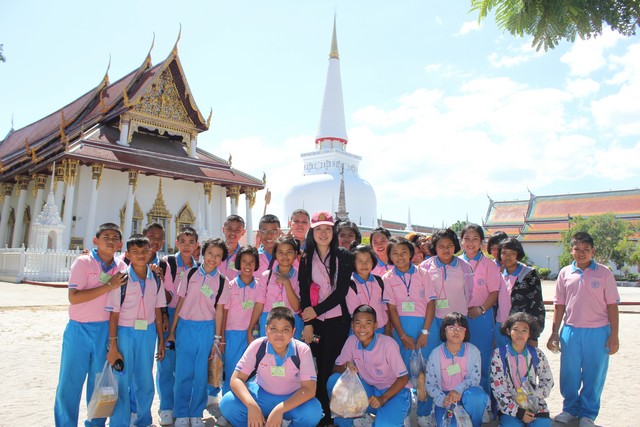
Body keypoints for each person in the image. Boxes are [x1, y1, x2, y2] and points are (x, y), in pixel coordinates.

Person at [54, 223, 128, 427]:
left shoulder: (121, 267)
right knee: (69, 382)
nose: (110, 241)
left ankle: (95, 424)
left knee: (100, 384)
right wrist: (109, 285)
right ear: (95, 240)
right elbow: (74, 297)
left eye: (115, 238)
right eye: (106, 237)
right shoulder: (83, 262)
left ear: (120, 244)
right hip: (79, 329)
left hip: (104, 330)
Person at [547, 232, 620, 427]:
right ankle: (570, 409)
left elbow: (612, 306)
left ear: (592, 251)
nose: (581, 253)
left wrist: (614, 335)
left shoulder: (604, 273)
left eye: (586, 249)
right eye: (577, 249)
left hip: (598, 332)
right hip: (571, 331)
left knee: (594, 374)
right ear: (571, 250)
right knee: (569, 373)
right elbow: (559, 305)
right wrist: (554, 333)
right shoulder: (565, 273)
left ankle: (588, 414)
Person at [219, 307, 323, 427]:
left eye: (285, 329)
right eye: (273, 328)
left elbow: (309, 389)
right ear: (266, 330)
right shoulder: (258, 345)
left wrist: (280, 409)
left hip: (292, 399)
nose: (279, 334)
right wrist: (251, 405)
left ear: (293, 332)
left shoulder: (302, 350)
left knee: (313, 412)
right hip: (261, 396)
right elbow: (236, 379)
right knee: (228, 404)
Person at [166, 238, 230, 427]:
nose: (213, 258)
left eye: (218, 255)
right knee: (183, 372)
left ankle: (196, 414)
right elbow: (180, 302)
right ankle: (181, 413)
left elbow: (219, 311)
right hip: (186, 327)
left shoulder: (222, 281)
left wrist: (217, 338)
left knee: (201, 375)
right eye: (210, 253)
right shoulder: (190, 273)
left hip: (206, 330)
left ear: (222, 259)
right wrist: (172, 330)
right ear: (203, 253)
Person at [299, 211, 354, 425]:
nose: (323, 233)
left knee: (329, 367)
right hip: (316, 324)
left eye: (328, 229)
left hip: (337, 321)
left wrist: (317, 310)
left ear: (334, 231)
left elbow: (341, 292)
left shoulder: (343, 256)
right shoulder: (306, 258)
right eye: (319, 229)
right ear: (312, 232)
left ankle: (332, 413)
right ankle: (321, 414)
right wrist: (308, 323)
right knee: (316, 368)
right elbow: (305, 291)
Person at [106, 234, 166, 427]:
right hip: (125, 332)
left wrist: (161, 341)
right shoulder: (121, 279)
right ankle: (119, 423)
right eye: (136, 252)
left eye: (144, 251)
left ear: (151, 252)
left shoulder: (156, 279)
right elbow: (114, 315)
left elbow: (158, 311)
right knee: (122, 379)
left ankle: (143, 421)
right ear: (128, 254)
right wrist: (113, 345)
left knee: (145, 380)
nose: (141, 255)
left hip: (147, 333)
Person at [328, 305, 411, 426]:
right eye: (358, 323)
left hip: (393, 393)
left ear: (376, 325)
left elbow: (403, 378)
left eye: (368, 323)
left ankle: (399, 416)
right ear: (352, 326)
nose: (362, 328)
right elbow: (334, 369)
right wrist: (346, 366)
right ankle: (346, 422)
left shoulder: (388, 344)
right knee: (334, 380)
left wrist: (382, 399)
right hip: (370, 391)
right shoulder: (352, 341)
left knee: (384, 424)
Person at [384, 237, 436, 425]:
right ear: (390, 256)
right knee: (402, 373)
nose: (400, 257)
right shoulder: (387, 278)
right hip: (402, 329)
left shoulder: (423, 273)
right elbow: (391, 309)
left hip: (424, 327)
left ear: (411, 254)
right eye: (395, 253)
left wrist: (425, 332)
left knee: (425, 371)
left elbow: (431, 303)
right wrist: (402, 335)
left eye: (404, 252)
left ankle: (424, 413)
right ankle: (403, 413)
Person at [156, 226, 199, 425]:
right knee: (166, 363)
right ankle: (166, 407)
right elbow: (162, 295)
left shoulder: (199, 268)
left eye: (191, 242)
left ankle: (182, 406)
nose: (187, 246)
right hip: (170, 313)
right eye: (183, 241)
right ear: (176, 243)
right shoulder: (168, 263)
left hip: (190, 318)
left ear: (197, 245)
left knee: (185, 365)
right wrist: (165, 316)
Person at [425, 312, 488, 427]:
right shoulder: (435, 354)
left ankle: (475, 424)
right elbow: (430, 384)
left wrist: (458, 390)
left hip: (467, 394)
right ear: (444, 330)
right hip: (445, 396)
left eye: (460, 328)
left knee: (477, 398)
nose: (456, 331)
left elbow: (474, 379)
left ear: (465, 332)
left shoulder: (473, 351)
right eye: (451, 328)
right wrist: (442, 399)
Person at [491, 312, 553, 426]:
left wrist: (532, 395)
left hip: (535, 405)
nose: (520, 334)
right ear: (508, 331)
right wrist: (518, 411)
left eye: (524, 330)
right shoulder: (499, 354)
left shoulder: (537, 354)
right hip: (510, 406)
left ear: (530, 333)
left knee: (541, 424)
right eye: (516, 329)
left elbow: (548, 381)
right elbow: (498, 387)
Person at [460, 224, 500, 396]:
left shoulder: (489, 265)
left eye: (475, 239)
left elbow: (494, 292)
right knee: (460, 359)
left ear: (482, 242)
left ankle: (483, 398)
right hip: (459, 318)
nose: (471, 243)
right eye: (467, 239)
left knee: (482, 358)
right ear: (461, 241)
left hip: (481, 317)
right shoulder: (456, 263)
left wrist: (481, 309)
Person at [222, 245, 260, 395]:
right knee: (232, 371)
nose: (248, 265)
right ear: (238, 263)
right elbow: (224, 313)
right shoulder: (230, 286)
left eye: (251, 262)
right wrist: (222, 338)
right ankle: (228, 402)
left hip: (252, 336)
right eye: (244, 261)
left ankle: (247, 404)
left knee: (251, 373)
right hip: (232, 335)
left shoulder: (260, 286)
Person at [250, 235, 303, 340]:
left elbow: (296, 307)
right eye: (280, 252)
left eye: (289, 252)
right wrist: (250, 328)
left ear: (295, 254)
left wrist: (287, 283)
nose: (284, 256)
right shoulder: (266, 276)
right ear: (275, 254)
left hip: (291, 322)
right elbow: (259, 304)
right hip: (269, 322)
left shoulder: (300, 277)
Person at [496, 238, 545, 349]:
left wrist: (534, 335)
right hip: (500, 326)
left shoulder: (529, 275)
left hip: (521, 328)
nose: (508, 256)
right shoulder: (498, 273)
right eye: (504, 253)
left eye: (512, 253)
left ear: (518, 254)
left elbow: (537, 304)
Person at [346, 244, 389, 334]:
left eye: (368, 260)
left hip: (380, 329)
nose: (364, 264)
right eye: (360, 261)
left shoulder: (378, 281)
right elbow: (354, 313)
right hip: (360, 331)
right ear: (353, 263)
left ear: (373, 262)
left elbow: (385, 308)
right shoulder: (350, 284)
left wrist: (387, 329)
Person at [218, 214, 247, 280]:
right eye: (229, 229)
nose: (233, 233)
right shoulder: (214, 251)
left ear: (243, 232)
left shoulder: (244, 255)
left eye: (237, 230)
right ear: (223, 230)